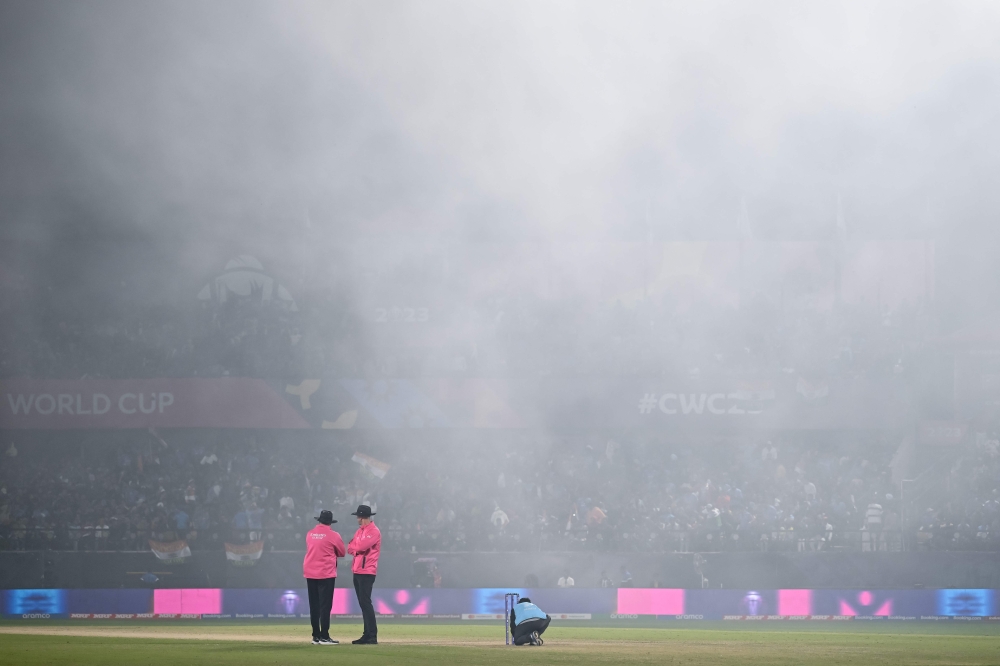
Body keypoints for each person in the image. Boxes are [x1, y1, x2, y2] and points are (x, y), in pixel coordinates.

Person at [303, 509, 346, 645]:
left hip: (310, 572)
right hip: (325, 573)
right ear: (330, 522)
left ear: (319, 520)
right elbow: (342, 552)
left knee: (314, 606)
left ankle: (315, 636)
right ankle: (325, 636)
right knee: (325, 606)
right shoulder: (333, 535)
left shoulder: (310, 534)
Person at [347, 504, 381, 645]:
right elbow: (350, 547)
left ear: (362, 517)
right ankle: (367, 634)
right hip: (358, 570)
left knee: (365, 602)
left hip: (367, 571)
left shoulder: (373, 531)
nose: (357, 519)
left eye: (358, 517)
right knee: (364, 603)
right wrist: (357, 549)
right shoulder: (360, 531)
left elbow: (359, 547)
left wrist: (356, 548)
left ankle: (371, 635)